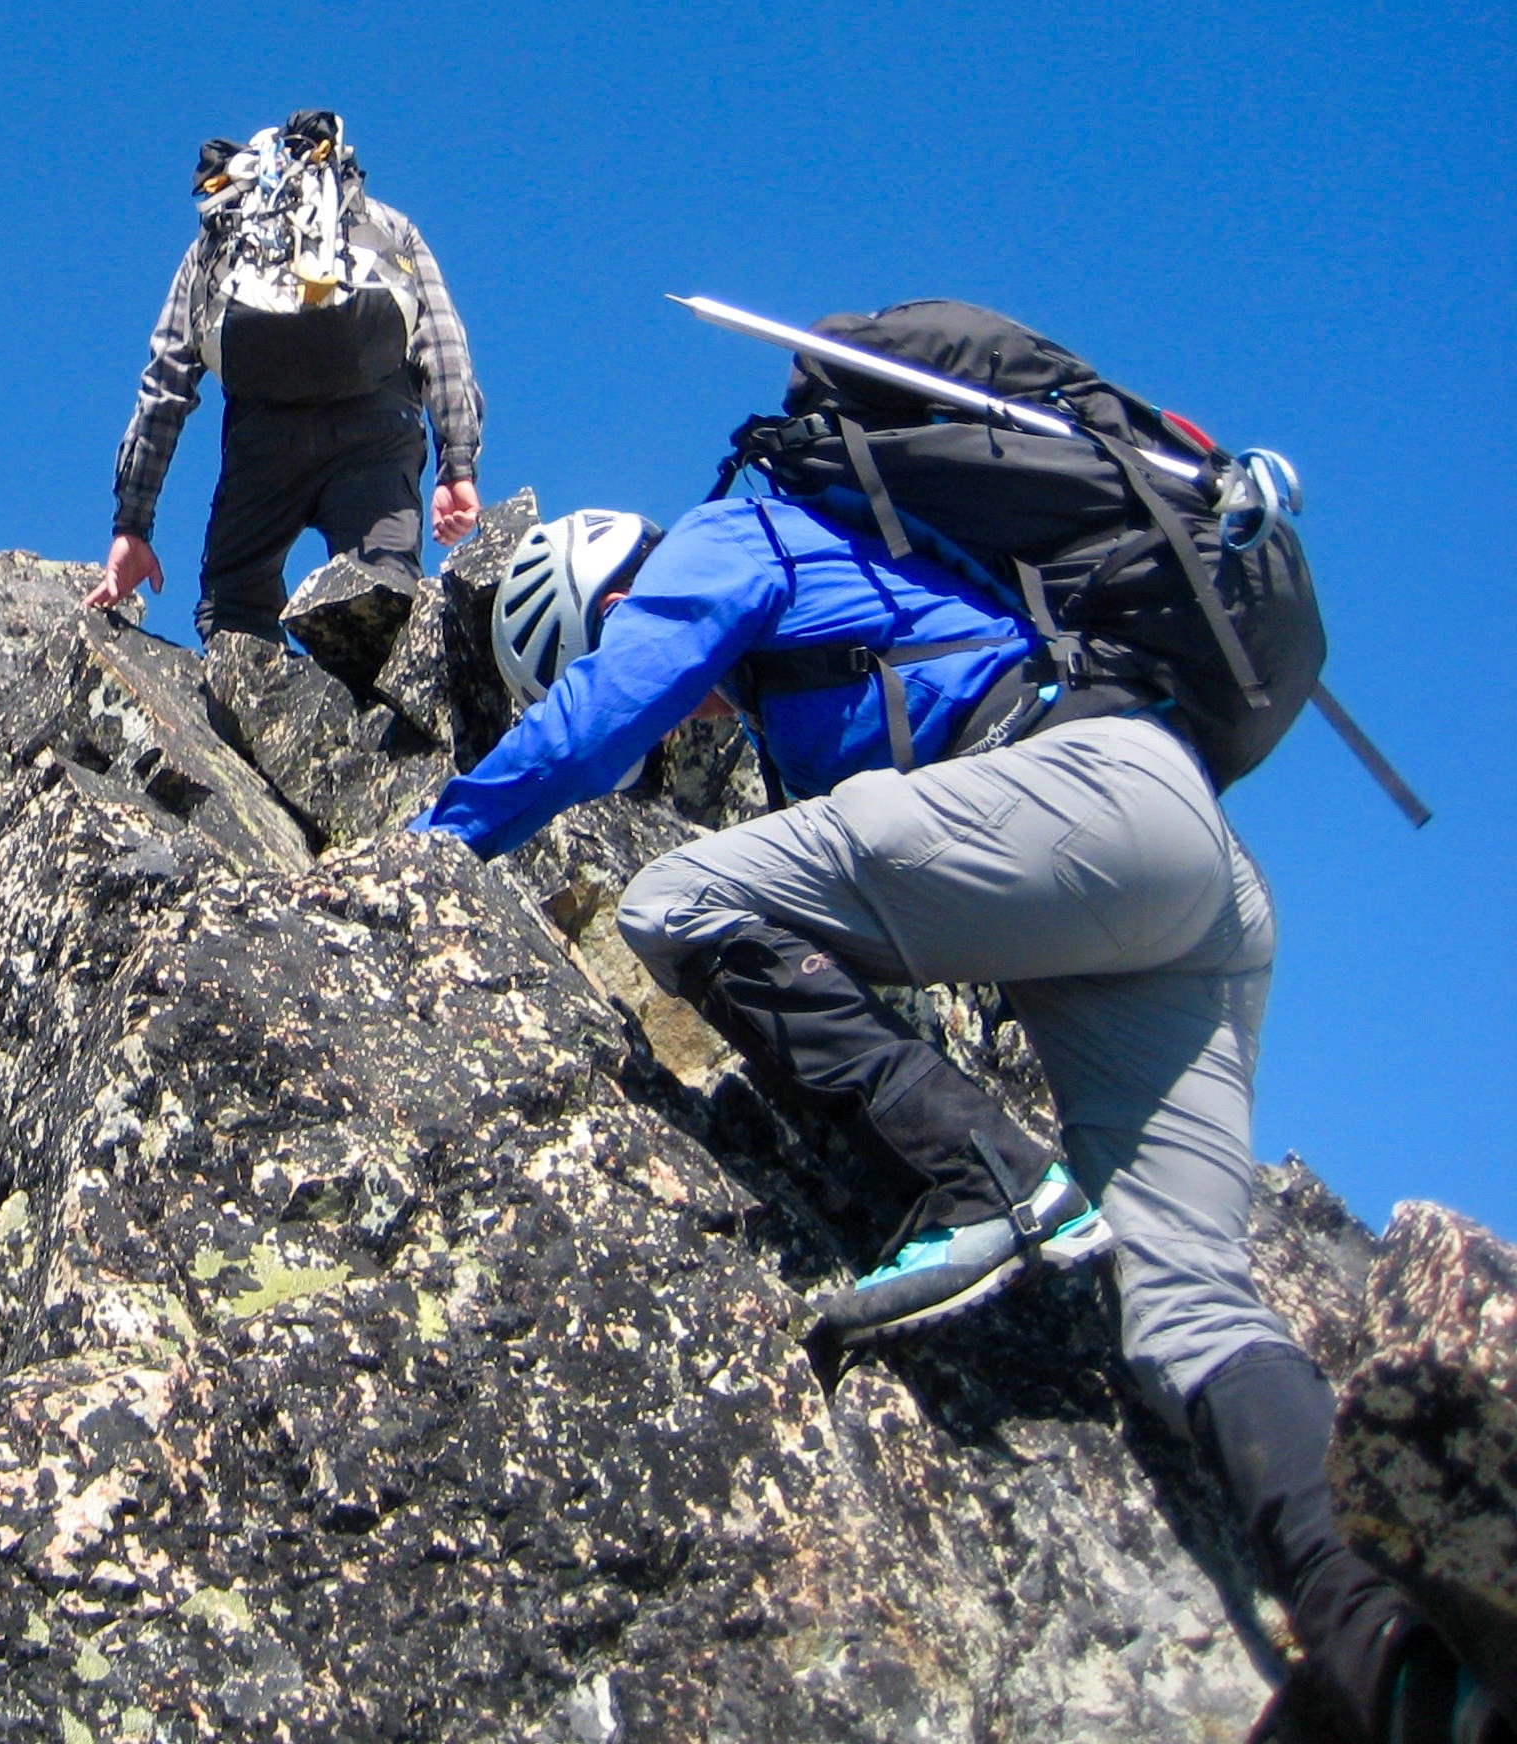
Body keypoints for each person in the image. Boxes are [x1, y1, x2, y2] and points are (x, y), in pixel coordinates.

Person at [414, 500, 1505, 1744]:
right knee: (1185, 1306)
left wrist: (424, 850)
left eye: (596, 654)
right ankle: (1410, 1665)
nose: (684, 723)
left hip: (1079, 801)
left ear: (601, 608)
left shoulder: (721, 543)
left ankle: (985, 1174)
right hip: (1179, 860)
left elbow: (592, 724)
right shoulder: (832, 610)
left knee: (673, 900)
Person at [85, 110, 484, 642]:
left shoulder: (215, 248)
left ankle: (253, 704)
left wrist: (132, 524)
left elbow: (165, 387)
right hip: (378, 433)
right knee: (388, 601)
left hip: (266, 446)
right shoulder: (386, 227)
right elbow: (444, 344)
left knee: (234, 609)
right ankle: (379, 715)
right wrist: (457, 466)